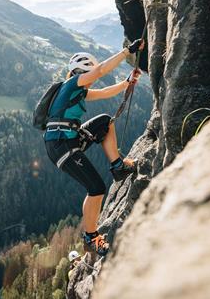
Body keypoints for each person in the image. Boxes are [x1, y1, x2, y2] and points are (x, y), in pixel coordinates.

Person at [44, 39, 144, 256]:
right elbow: (100, 71)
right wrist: (127, 51)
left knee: (105, 122)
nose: (89, 81)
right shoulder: (71, 85)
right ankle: (91, 237)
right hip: (61, 145)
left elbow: (107, 92)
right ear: (80, 72)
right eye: (86, 75)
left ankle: (118, 166)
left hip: (69, 140)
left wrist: (127, 82)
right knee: (96, 188)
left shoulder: (77, 92)